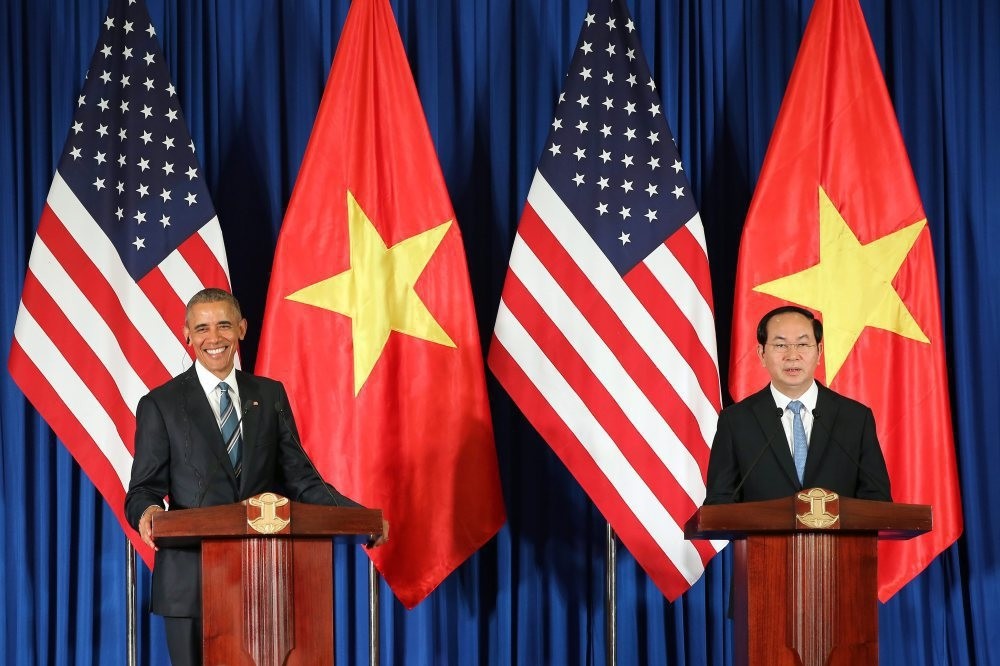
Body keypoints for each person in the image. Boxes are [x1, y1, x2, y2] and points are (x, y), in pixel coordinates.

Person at [125, 287, 388, 666]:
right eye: (202, 329)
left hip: (265, 580)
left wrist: (359, 517)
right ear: (187, 335)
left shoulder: (269, 395)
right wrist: (148, 512)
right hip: (190, 583)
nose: (213, 338)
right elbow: (142, 490)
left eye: (223, 325)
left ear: (242, 329)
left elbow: (302, 480)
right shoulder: (160, 404)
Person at [704, 305, 891, 505]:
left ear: (819, 351)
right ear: (761, 354)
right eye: (780, 345)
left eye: (802, 344)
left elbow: (878, 501)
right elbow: (719, 504)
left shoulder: (855, 418)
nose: (792, 355)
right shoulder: (736, 421)